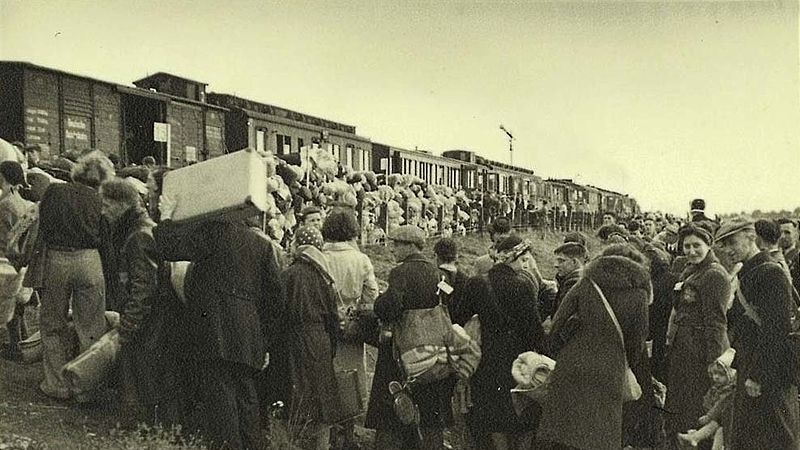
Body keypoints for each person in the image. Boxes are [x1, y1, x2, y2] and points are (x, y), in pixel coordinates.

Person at [154, 199, 286, 450]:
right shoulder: (262, 245)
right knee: (247, 401)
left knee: (221, 402)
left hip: (215, 330)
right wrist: (264, 341)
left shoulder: (214, 232)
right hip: (249, 335)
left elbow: (170, 248)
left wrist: (166, 216)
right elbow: (275, 301)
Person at [539, 244, 650, 450]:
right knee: (600, 434)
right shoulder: (638, 295)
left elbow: (557, 324)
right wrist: (625, 362)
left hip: (572, 363)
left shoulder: (585, 284)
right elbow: (638, 341)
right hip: (610, 369)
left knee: (566, 431)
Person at [98, 178, 181, 426]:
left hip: (149, 318)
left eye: (106, 205)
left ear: (121, 204)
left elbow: (144, 287)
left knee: (144, 372)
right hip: (151, 316)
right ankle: (148, 425)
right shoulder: (137, 229)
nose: (103, 211)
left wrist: (129, 323)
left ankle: (147, 426)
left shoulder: (137, 236)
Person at [366, 225, 454, 450]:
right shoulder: (437, 272)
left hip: (403, 346)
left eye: (397, 244)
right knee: (429, 406)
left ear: (410, 246)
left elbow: (389, 307)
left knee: (393, 400)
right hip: (432, 348)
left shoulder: (401, 272)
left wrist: (377, 304)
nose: (392, 249)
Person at [455, 236, 547, 449]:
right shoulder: (522, 285)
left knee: (495, 417)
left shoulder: (476, 283)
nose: (525, 265)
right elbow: (534, 329)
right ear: (512, 258)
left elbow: (458, 318)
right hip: (519, 360)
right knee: (522, 414)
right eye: (523, 259)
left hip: (487, 359)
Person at [716, 217, 800, 450]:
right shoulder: (750, 272)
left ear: (751, 237)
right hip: (752, 367)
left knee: (776, 437)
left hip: (770, 374)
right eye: (722, 245)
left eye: (731, 242)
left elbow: (777, 330)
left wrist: (759, 375)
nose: (726, 250)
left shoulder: (770, 273)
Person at [38, 150, 114, 400]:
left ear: (77, 172)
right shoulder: (101, 201)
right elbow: (106, 239)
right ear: (103, 179)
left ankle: (57, 385)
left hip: (57, 259)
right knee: (91, 324)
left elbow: (44, 226)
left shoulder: (54, 191)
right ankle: (87, 388)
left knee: (52, 323)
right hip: (90, 259)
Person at [664, 223, 730, 447]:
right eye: (687, 246)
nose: (691, 251)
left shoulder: (714, 275)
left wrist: (713, 361)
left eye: (697, 246)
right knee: (682, 403)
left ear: (708, 245)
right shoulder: (691, 269)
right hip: (683, 349)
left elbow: (716, 322)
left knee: (696, 405)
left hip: (699, 351)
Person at [321, 208, 379, 450]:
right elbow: (372, 295)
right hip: (352, 325)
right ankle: (349, 430)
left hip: (325, 324)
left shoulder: (319, 257)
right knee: (352, 375)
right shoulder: (360, 259)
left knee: (327, 375)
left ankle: (328, 431)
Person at [282, 226, 343, 450]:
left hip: (296, 338)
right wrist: (331, 345)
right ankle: (322, 445)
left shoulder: (289, 274)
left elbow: (280, 311)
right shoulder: (324, 276)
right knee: (323, 396)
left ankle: (294, 444)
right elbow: (334, 317)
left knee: (297, 393)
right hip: (321, 339)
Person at [0, 161, 33, 361]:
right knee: (16, 305)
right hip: (19, 261)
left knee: (7, 305)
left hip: (6, 260)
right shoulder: (20, 201)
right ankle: (21, 341)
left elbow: (5, 237)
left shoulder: (4, 205)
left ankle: (15, 345)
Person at [677, 348, 736, 450]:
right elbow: (708, 400)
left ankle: (695, 438)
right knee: (713, 426)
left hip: (721, 419)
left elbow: (719, 406)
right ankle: (694, 437)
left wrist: (708, 416)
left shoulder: (728, 391)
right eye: (714, 373)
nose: (716, 377)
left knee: (717, 429)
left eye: (721, 375)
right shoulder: (716, 388)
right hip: (716, 418)